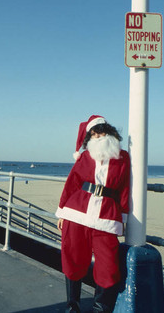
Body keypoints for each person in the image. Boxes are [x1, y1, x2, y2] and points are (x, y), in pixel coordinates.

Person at [56, 115, 131, 313]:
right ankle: (73, 307)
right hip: (76, 213)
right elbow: (71, 183)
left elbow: (125, 189)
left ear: (109, 131)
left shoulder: (123, 157)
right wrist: (62, 212)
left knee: (109, 267)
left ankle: (100, 309)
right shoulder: (85, 157)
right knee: (73, 259)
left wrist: (123, 218)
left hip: (106, 217)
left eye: (101, 130)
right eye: (93, 133)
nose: (98, 136)